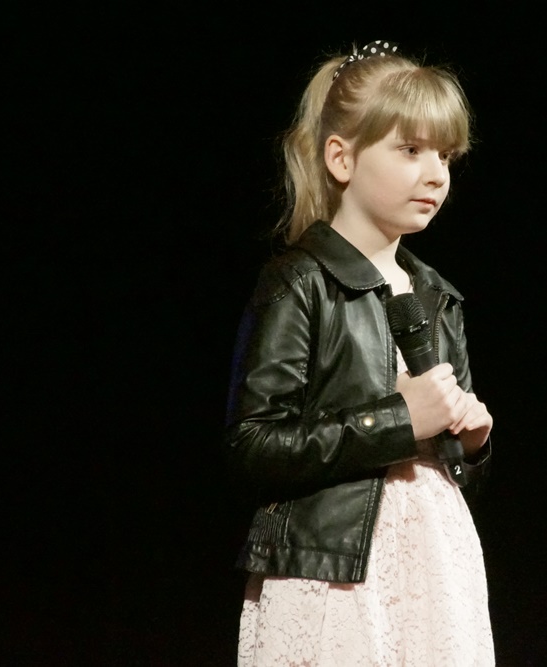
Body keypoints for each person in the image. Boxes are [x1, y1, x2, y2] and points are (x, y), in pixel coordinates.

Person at [225, 40, 494, 666]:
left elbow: (453, 471)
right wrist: (399, 419)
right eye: (410, 150)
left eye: (445, 155)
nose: (436, 174)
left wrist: (471, 445)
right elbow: (253, 445)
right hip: (334, 571)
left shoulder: (437, 296)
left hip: (435, 564)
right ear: (341, 158)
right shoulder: (300, 282)